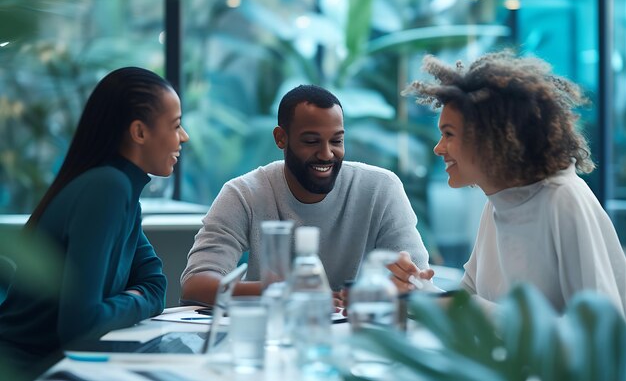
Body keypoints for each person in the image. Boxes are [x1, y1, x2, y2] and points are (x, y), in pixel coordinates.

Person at [404, 50, 626, 315]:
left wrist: (439, 300)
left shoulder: (563, 199)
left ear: (491, 137)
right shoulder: (499, 200)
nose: (438, 149)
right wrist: (417, 288)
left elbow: (595, 337)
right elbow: (468, 306)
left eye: (448, 134)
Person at [0, 67, 189, 376]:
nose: (184, 137)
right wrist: (135, 297)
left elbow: (157, 285)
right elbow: (80, 327)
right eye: (176, 125)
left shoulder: (123, 193)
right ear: (139, 132)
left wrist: (127, 301)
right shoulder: (107, 188)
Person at [181, 84, 433, 306]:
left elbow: (419, 281)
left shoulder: (381, 187)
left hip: (360, 334)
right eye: (311, 141)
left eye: (336, 141)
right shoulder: (244, 194)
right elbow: (196, 283)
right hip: (275, 334)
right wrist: (283, 292)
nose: (326, 154)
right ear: (281, 138)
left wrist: (403, 280)